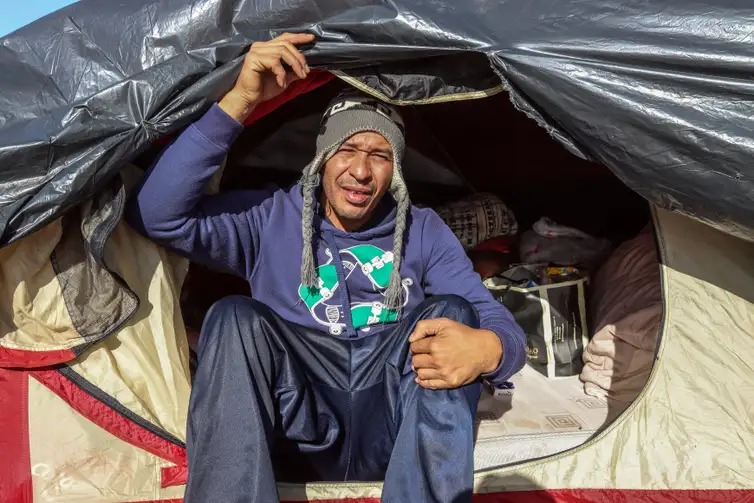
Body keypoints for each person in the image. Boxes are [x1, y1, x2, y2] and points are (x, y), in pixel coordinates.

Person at [127, 32, 526, 503]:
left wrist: (490, 350)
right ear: (319, 159)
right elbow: (159, 214)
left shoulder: (423, 229)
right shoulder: (269, 217)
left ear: (395, 170)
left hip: (391, 419)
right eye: (346, 150)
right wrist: (239, 100)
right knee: (233, 317)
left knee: (455, 314)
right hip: (297, 418)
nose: (361, 171)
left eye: (379, 156)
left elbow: (492, 317)